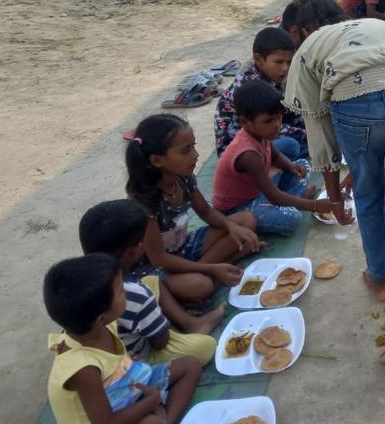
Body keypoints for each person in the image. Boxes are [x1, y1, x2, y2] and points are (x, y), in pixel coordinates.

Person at [285, 0, 385, 369]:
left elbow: (319, 134)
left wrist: (336, 199)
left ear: (305, 29)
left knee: (369, 198)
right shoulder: (378, 27)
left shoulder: (309, 47)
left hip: (356, 104)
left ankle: (381, 279)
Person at [44, 253, 201, 424]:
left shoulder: (100, 327)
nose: (126, 292)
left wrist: (129, 363)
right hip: (108, 416)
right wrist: (151, 402)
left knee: (190, 366)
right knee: (152, 421)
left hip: (124, 389)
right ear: (100, 318)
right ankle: (159, 416)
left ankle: (166, 419)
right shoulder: (83, 369)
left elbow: (112, 363)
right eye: (121, 292)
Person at [125, 114, 261, 302]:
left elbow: (206, 212)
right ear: (157, 160)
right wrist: (209, 269)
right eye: (186, 150)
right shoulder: (145, 201)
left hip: (184, 248)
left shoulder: (183, 178)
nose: (195, 155)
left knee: (246, 220)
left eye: (194, 146)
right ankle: (215, 271)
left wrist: (232, 227)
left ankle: (214, 271)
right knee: (199, 286)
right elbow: (159, 259)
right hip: (159, 268)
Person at [78, 200, 219, 366]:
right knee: (205, 347)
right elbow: (161, 343)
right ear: (134, 250)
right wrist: (160, 324)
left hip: (113, 340)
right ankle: (184, 327)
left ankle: (187, 323)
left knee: (151, 281)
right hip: (138, 358)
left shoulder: (84, 277)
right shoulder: (132, 293)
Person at [213, 81, 341, 235]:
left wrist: (291, 167)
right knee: (292, 219)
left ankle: (290, 201)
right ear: (245, 122)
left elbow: (276, 156)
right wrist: (314, 205)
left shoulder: (260, 135)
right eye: (268, 121)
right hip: (237, 209)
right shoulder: (248, 155)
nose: (277, 125)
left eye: (279, 118)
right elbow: (273, 195)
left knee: (302, 165)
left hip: (259, 193)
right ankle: (291, 203)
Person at [215, 27, 306, 159]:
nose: (285, 68)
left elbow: (288, 112)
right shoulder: (251, 86)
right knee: (292, 146)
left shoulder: (272, 79)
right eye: (279, 62)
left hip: (262, 136)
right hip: (238, 152)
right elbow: (270, 125)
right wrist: (308, 134)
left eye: (289, 62)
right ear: (259, 59)